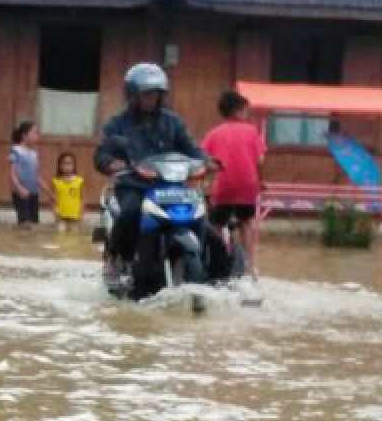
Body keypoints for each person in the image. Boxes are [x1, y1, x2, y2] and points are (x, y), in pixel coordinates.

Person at [94, 63, 207, 276]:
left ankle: (216, 270)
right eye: (145, 94)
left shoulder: (173, 122)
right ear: (133, 95)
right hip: (133, 186)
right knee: (130, 212)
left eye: (155, 94)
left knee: (201, 217)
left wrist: (205, 161)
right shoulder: (117, 124)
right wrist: (110, 163)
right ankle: (116, 259)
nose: (150, 99)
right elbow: (102, 153)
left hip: (171, 187)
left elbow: (192, 149)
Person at [201, 90, 266, 278]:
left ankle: (220, 261)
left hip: (223, 186)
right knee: (246, 222)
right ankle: (249, 268)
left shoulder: (214, 134)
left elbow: (204, 159)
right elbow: (260, 160)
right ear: (238, 111)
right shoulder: (252, 131)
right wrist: (261, 182)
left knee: (217, 224)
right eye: (246, 110)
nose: (247, 114)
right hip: (248, 185)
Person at [9, 120, 51, 228]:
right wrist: (19, 188)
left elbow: (36, 175)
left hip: (33, 192)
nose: (36, 137)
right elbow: (12, 173)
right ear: (24, 135)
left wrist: (49, 192)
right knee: (24, 223)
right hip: (21, 193)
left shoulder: (34, 154)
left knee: (34, 223)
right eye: (34, 133)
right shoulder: (16, 151)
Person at [52, 152, 85, 230]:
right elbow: (52, 199)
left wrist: (81, 215)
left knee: (74, 238)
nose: (67, 166)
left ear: (74, 165)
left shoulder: (80, 181)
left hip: (75, 217)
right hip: (61, 217)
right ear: (60, 166)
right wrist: (56, 214)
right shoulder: (56, 181)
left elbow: (83, 199)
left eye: (69, 163)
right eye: (64, 164)